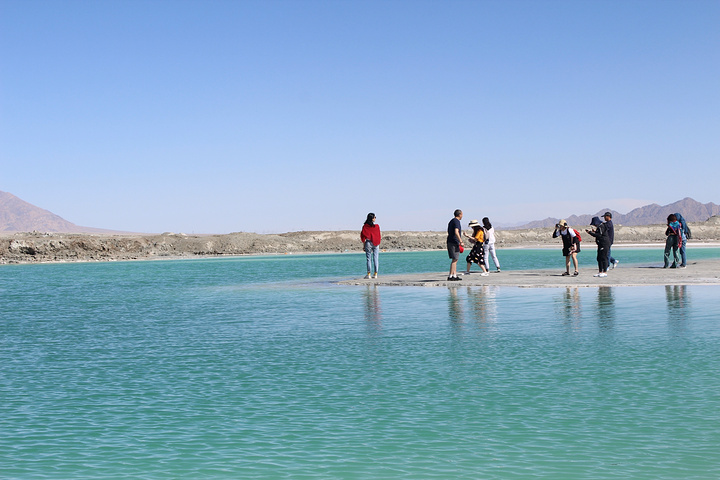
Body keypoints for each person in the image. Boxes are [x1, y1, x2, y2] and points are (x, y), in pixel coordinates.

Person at [360, 213, 381, 279]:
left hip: (368, 243)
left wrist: (364, 245)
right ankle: (375, 274)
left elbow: (363, 236)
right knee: (376, 258)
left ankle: (368, 274)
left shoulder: (365, 227)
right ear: (372, 218)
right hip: (376, 243)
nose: (375, 218)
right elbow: (378, 236)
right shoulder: (376, 226)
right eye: (375, 217)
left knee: (369, 259)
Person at [446, 209, 465, 281]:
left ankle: (454, 274)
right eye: (462, 214)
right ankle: (451, 276)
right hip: (454, 242)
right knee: (454, 259)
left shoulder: (452, 221)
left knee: (455, 259)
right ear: (459, 214)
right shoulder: (456, 221)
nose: (462, 216)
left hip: (451, 241)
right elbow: (456, 232)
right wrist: (461, 241)